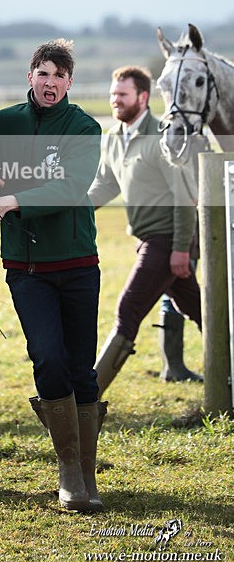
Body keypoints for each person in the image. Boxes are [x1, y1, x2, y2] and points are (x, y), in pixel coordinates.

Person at [0, 39, 104, 513]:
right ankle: (67, 467)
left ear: (69, 82)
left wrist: (16, 200)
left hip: (78, 264)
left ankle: (83, 477)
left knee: (81, 369)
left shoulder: (85, 127)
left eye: (60, 75)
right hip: (26, 268)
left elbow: (73, 186)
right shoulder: (3, 124)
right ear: (30, 76)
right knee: (48, 361)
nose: (50, 82)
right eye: (43, 73)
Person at [88, 66, 202, 397]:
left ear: (143, 97)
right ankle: (229, 372)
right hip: (147, 241)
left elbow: (184, 197)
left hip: (166, 241)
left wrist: (182, 249)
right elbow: (105, 185)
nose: (115, 101)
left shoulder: (162, 137)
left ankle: (87, 399)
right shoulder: (112, 139)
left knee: (127, 311)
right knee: (202, 312)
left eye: (122, 95)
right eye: (113, 95)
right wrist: (72, 210)